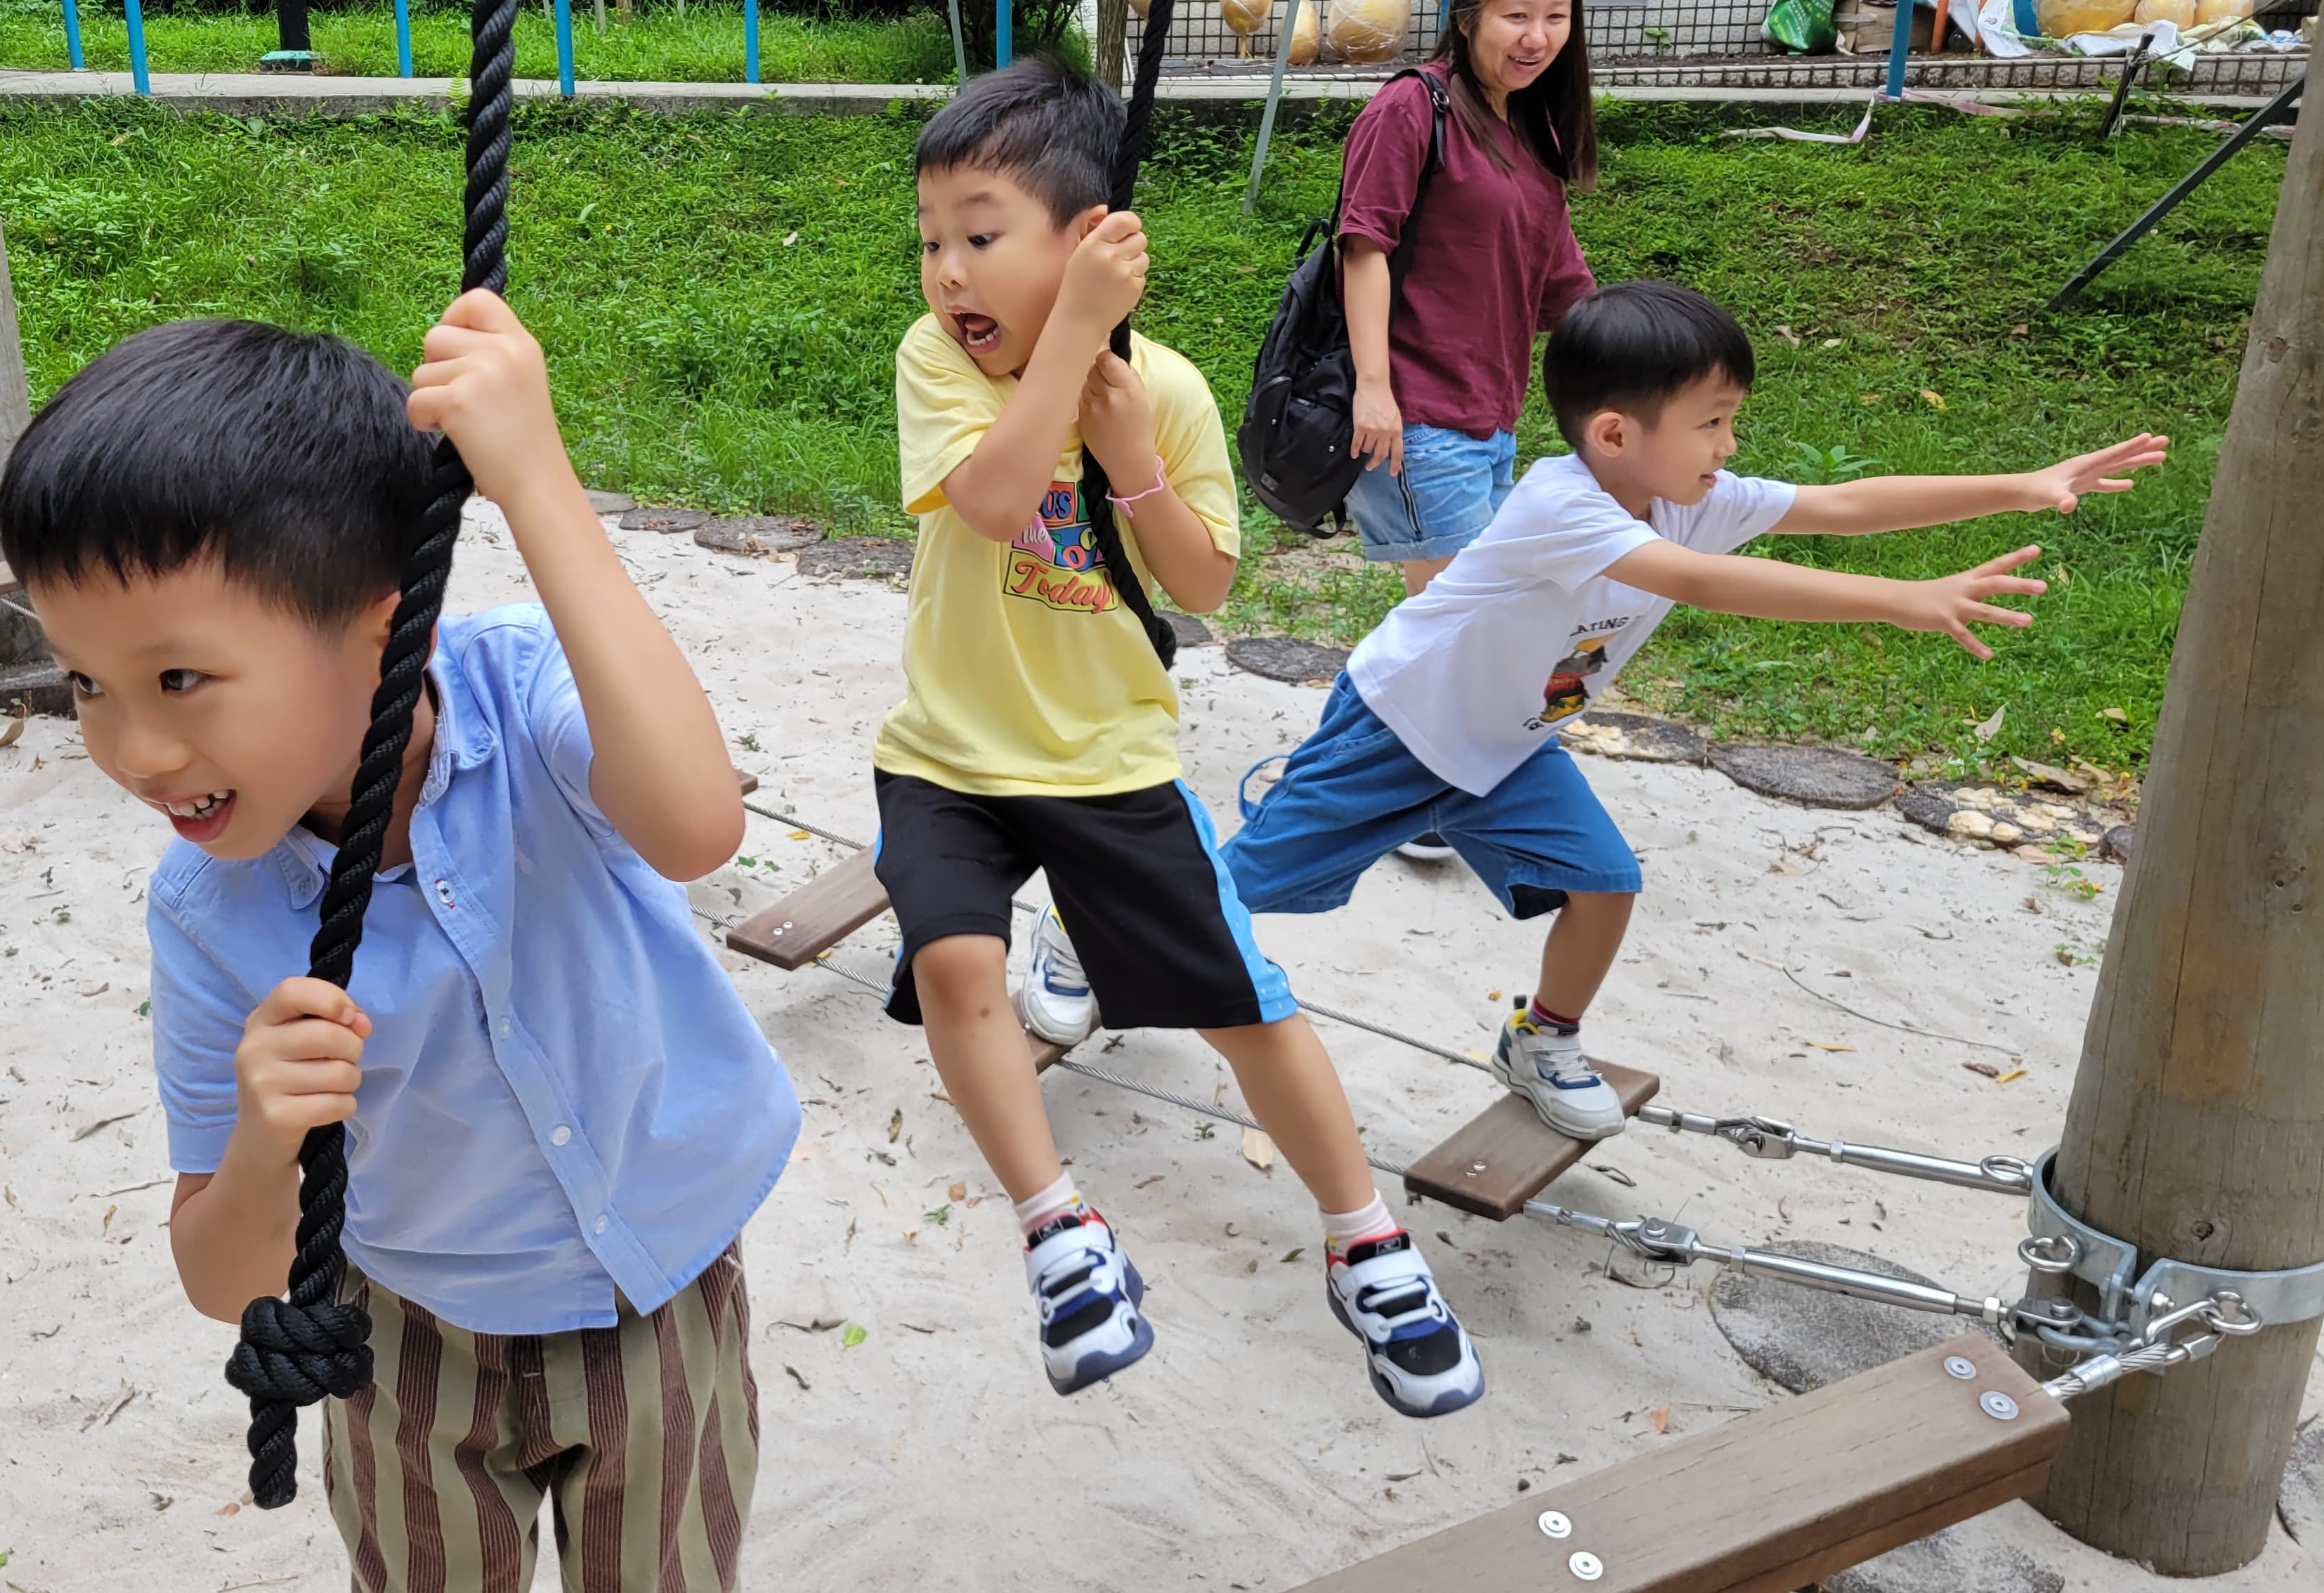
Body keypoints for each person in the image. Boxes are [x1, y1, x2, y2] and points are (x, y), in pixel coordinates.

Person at [0, 296, 797, 1593]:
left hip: (661, 1289)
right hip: (411, 1332)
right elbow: (221, 1274)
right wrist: (265, 1143)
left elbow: (699, 824)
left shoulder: (528, 702)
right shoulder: (212, 915)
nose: (133, 752)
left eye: (179, 679)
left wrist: (532, 478)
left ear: (389, 628)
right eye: (85, 683)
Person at [880, 58, 1484, 1418]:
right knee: (958, 962)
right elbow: (986, 501)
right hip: (950, 752)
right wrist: (1068, 338)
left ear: (1091, 234)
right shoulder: (937, 360)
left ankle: (1365, 1239)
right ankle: (1059, 1231)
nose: (948, 273)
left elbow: (1204, 586)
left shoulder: (1179, 392)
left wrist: (1130, 445)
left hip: (1109, 762)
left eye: (982, 234)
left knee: (1242, 1006)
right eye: (932, 241)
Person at [1222, 280, 2167, 1142]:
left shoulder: (1689, 495)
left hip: (1510, 742)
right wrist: (1903, 598)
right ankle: (1094, 943)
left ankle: (1541, 1038)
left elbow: (1839, 505)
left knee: (1606, 882)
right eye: (1712, 422)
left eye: (1731, 420)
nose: (1730, 446)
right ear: (1615, 435)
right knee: (1242, 888)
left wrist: (2024, 488)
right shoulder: (1564, 505)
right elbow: (1704, 584)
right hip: (1399, 729)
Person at [1339, 0, 1599, 859]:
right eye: (1516, 14)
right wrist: (1374, 390)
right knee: (1465, 620)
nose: (1537, 37)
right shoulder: (1414, 109)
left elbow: (1565, 284)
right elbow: (1364, 244)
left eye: (1555, 16)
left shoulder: (1531, 131)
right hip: (1417, 415)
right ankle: (1429, 796)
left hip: (1492, 415)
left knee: (1449, 619)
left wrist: (1646, 364)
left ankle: (1369, 765)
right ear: (1465, 15)